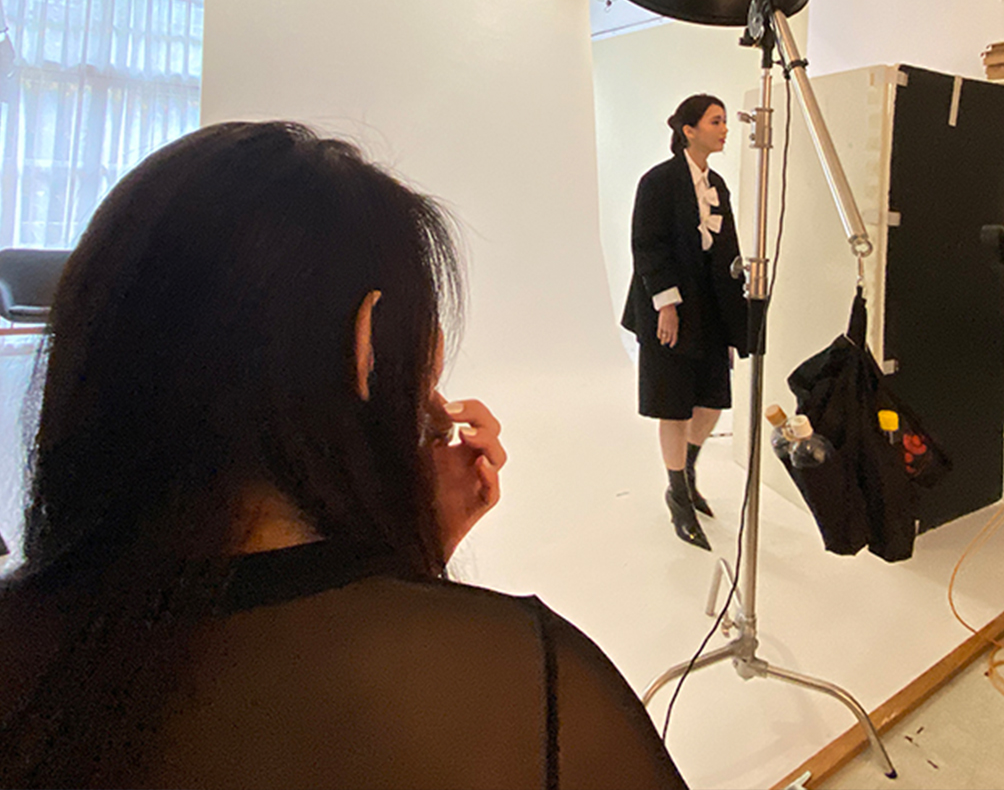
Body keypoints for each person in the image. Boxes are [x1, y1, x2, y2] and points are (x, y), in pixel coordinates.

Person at [0, 121, 687, 790]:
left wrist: (401, 548)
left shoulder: (37, 644)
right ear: (365, 344)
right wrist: (408, 571)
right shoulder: (525, 687)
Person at [622, 95, 749, 550]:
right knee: (673, 403)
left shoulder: (717, 185)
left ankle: (687, 471)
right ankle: (678, 495)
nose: (725, 129)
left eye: (724, 121)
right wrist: (667, 306)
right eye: (716, 121)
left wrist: (734, 320)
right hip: (669, 306)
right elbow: (647, 246)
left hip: (710, 307)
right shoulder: (657, 181)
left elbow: (728, 251)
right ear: (689, 130)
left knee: (711, 402)